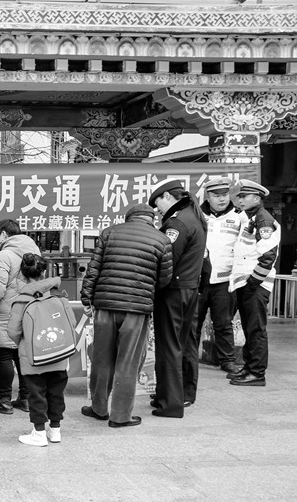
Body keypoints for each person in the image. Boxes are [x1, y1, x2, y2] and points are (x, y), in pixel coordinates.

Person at [80, 204, 173, 428]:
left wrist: (86, 298)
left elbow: (93, 268)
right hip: (137, 309)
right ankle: (120, 416)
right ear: (151, 220)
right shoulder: (162, 240)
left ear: (128, 218)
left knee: (102, 359)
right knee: (128, 362)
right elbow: (164, 279)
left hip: (105, 305)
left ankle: (99, 408)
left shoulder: (109, 233)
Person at [149, 179, 207, 417]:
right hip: (190, 289)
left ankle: (170, 403)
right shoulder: (194, 216)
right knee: (184, 344)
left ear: (167, 197)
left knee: (169, 346)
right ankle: (178, 394)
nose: (157, 210)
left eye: (158, 204)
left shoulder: (177, 222)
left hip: (173, 291)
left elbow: (167, 259)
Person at [7, 254, 72, 446]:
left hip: (33, 358)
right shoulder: (58, 294)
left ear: (22, 274)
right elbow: (71, 321)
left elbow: (13, 331)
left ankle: (39, 433)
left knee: (36, 395)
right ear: (44, 272)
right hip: (59, 355)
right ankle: (55, 430)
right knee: (56, 393)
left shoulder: (21, 300)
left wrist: (27, 343)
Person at [186, 177, 248, 375]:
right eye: (216, 195)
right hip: (198, 279)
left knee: (223, 323)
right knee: (193, 323)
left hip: (224, 280)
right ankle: (188, 360)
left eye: (225, 195)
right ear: (208, 196)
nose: (222, 199)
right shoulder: (197, 215)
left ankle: (227, 361)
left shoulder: (240, 216)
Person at [0, 219, 40, 414]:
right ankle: (25, 398)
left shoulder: (3, 256)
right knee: (20, 356)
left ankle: (3, 400)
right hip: (27, 311)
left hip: (5, 313)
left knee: (4, 356)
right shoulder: (34, 253)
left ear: (4, 234)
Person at [228, 180, 281, 387]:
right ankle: (249, 367)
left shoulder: (263, 219)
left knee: (256, 329)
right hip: (247, 284)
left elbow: (268, 256)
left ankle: (257, 373)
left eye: (244, 196)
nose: (240, 200)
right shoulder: (250, 218)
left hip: (256, 285)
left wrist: (253, 283)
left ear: (257, 198)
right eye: (239, 196)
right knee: (249, 328)